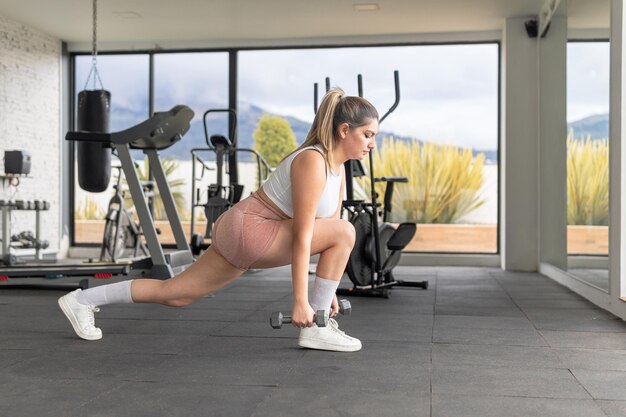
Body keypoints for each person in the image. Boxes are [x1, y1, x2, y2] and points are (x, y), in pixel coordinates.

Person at [58, 88, 379, 352]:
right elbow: (305, 236)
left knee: (176, 293)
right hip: (251, 229)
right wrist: (302, 302)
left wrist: (328, 292)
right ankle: (316, 329)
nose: (372, 144)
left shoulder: (337, 171)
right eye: (368, 135)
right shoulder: (313, 159)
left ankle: (82, 300)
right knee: (346, 230)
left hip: (244, 231)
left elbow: (327, 240)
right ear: (344, 130)